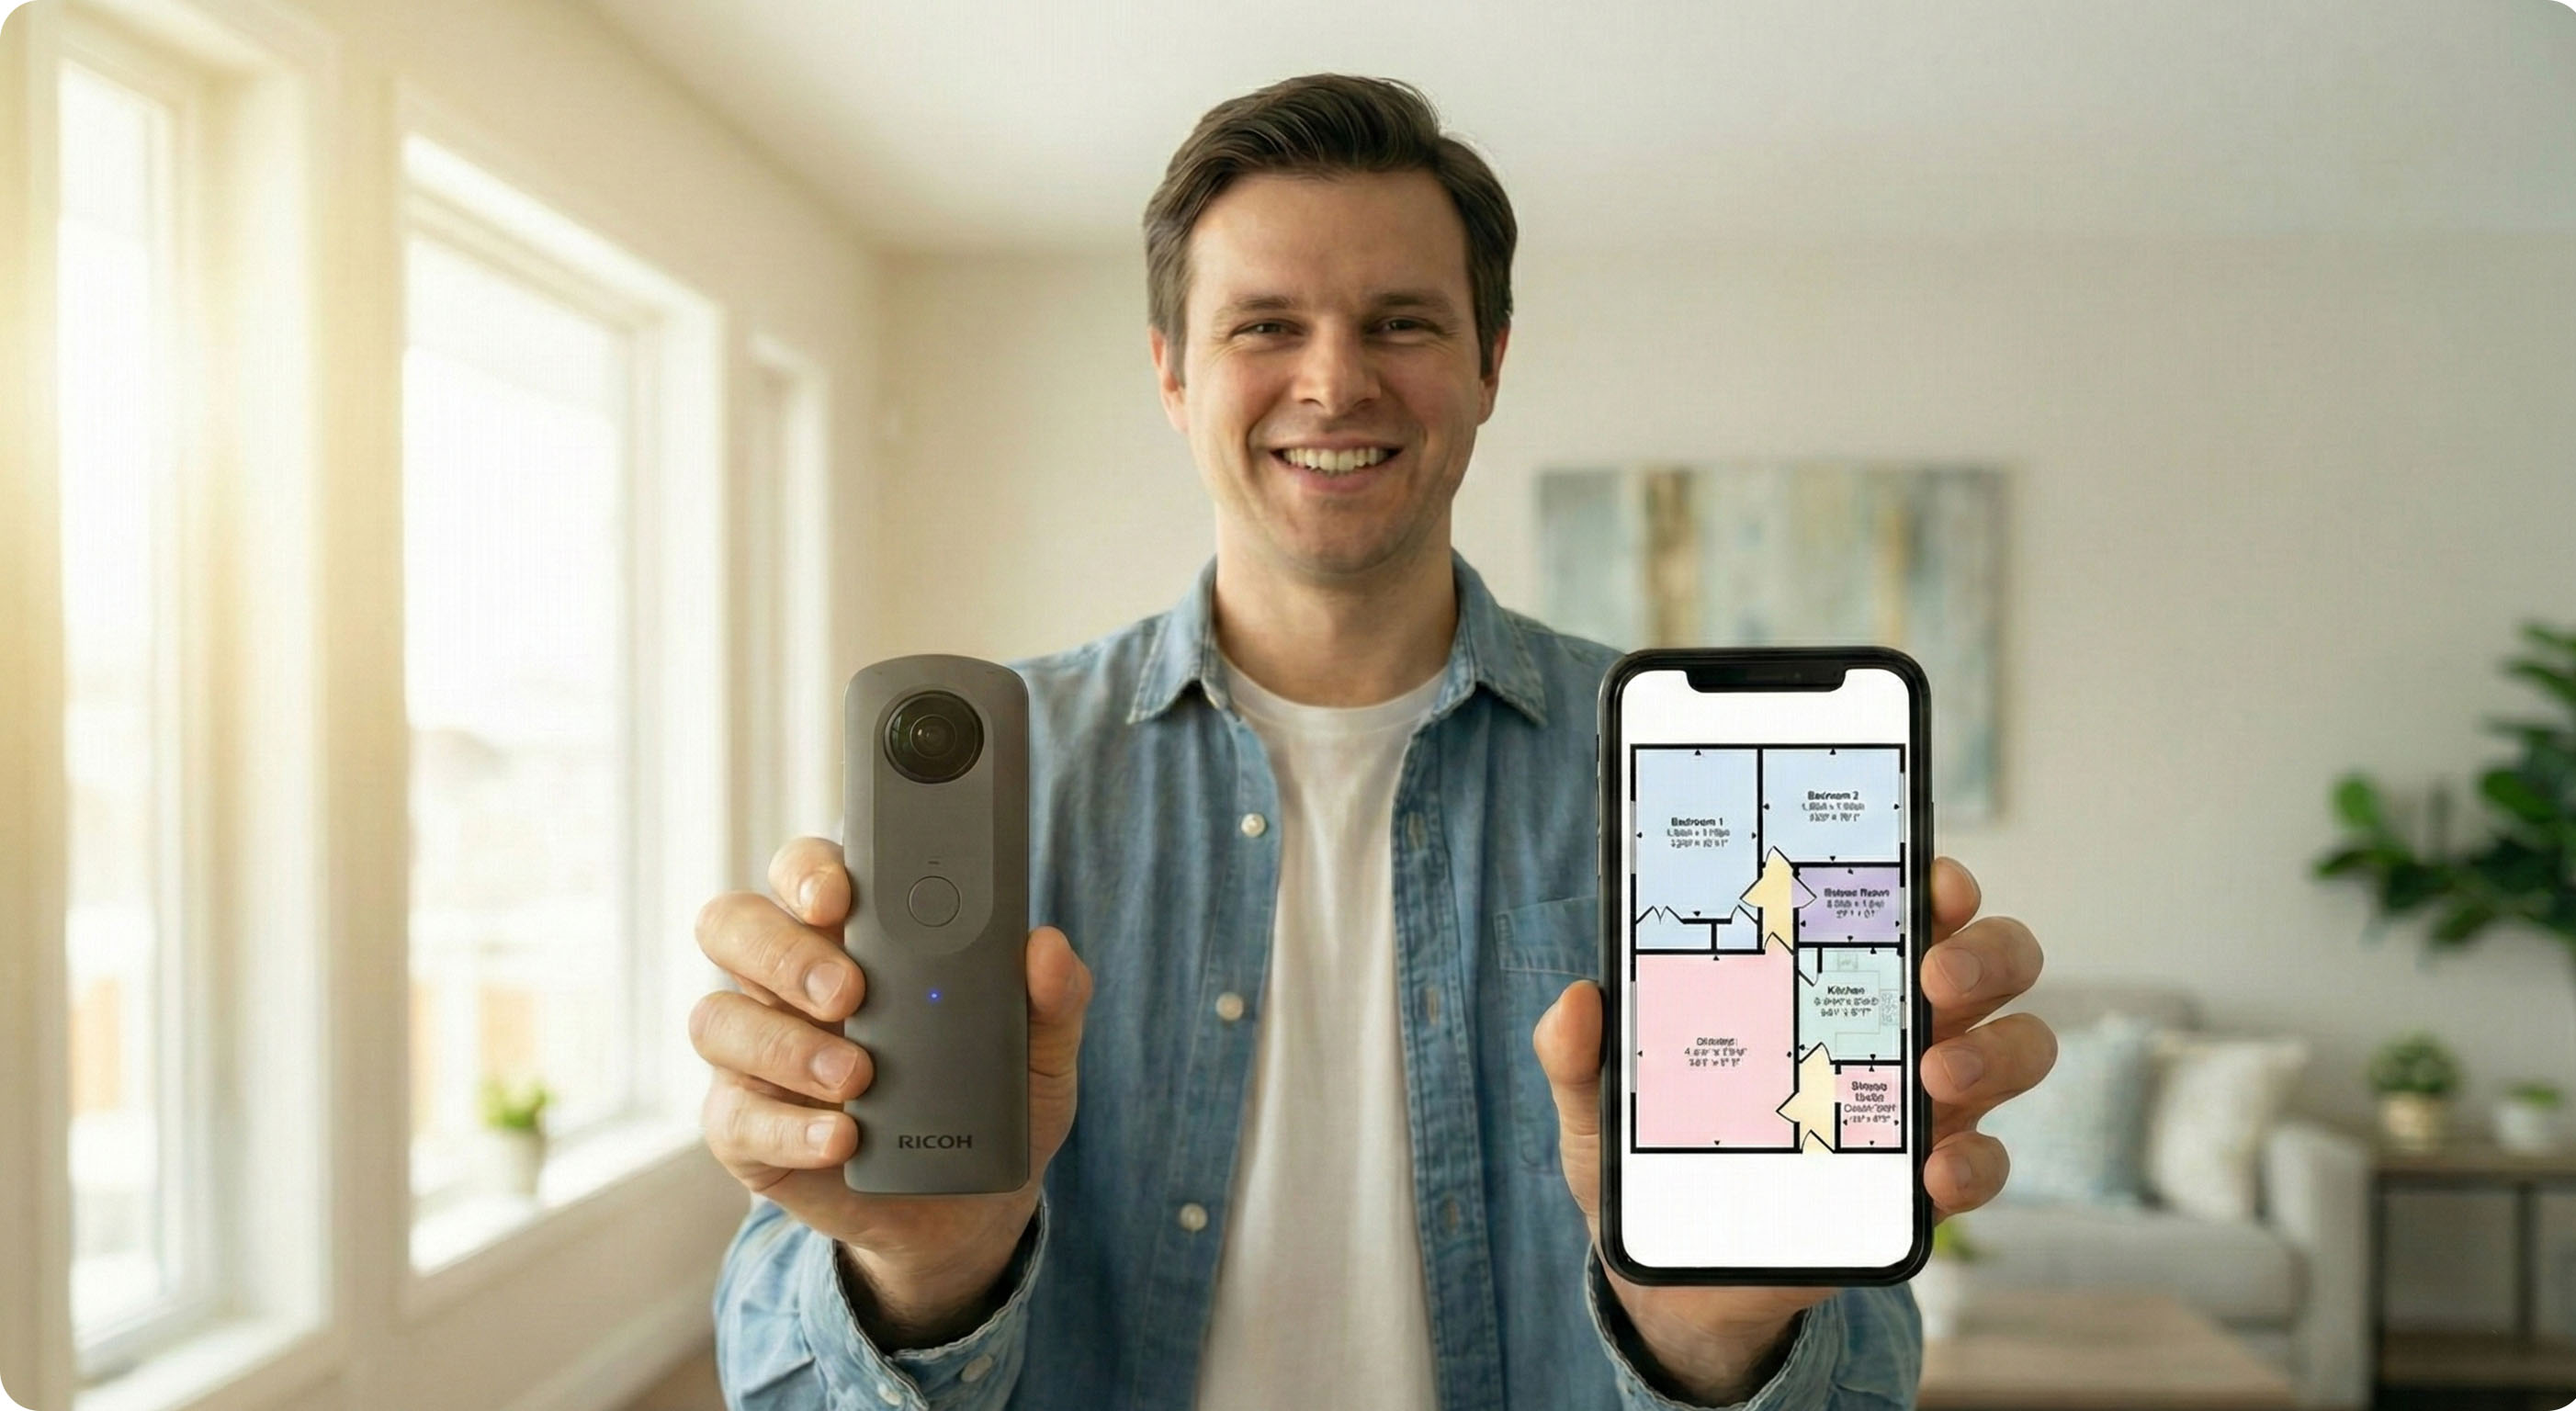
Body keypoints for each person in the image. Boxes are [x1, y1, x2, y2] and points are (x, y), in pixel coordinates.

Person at [691, 73, 2055, 1411]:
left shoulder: (1689, 790)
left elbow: (1862, 1373)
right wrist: (926, 1280)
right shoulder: (1002, 773)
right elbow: (783, 1384)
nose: (1334, 383)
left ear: (1489, 365)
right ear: (1172, 374)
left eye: (1400, 322)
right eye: (1265, 326)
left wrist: (1709, 1350)